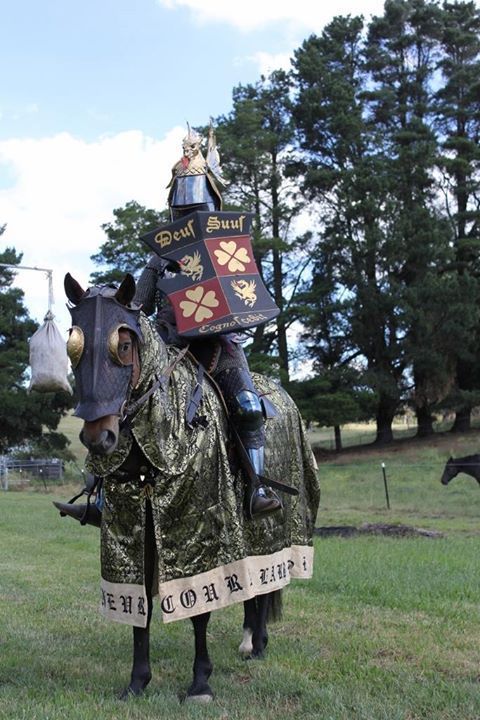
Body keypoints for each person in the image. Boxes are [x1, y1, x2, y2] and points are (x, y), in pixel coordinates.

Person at [135, 123, 281, 518]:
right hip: (169, 350)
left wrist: (231, 322)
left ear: (212, 202)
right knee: (116, 400)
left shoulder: (228, 249)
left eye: (195, 204)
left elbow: (247, 297)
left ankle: (257, 488)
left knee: (247, 406)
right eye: (183, 205)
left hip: (219, 349)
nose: (188, 211)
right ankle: (99, 494)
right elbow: (138, 307)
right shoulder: (159, 258)